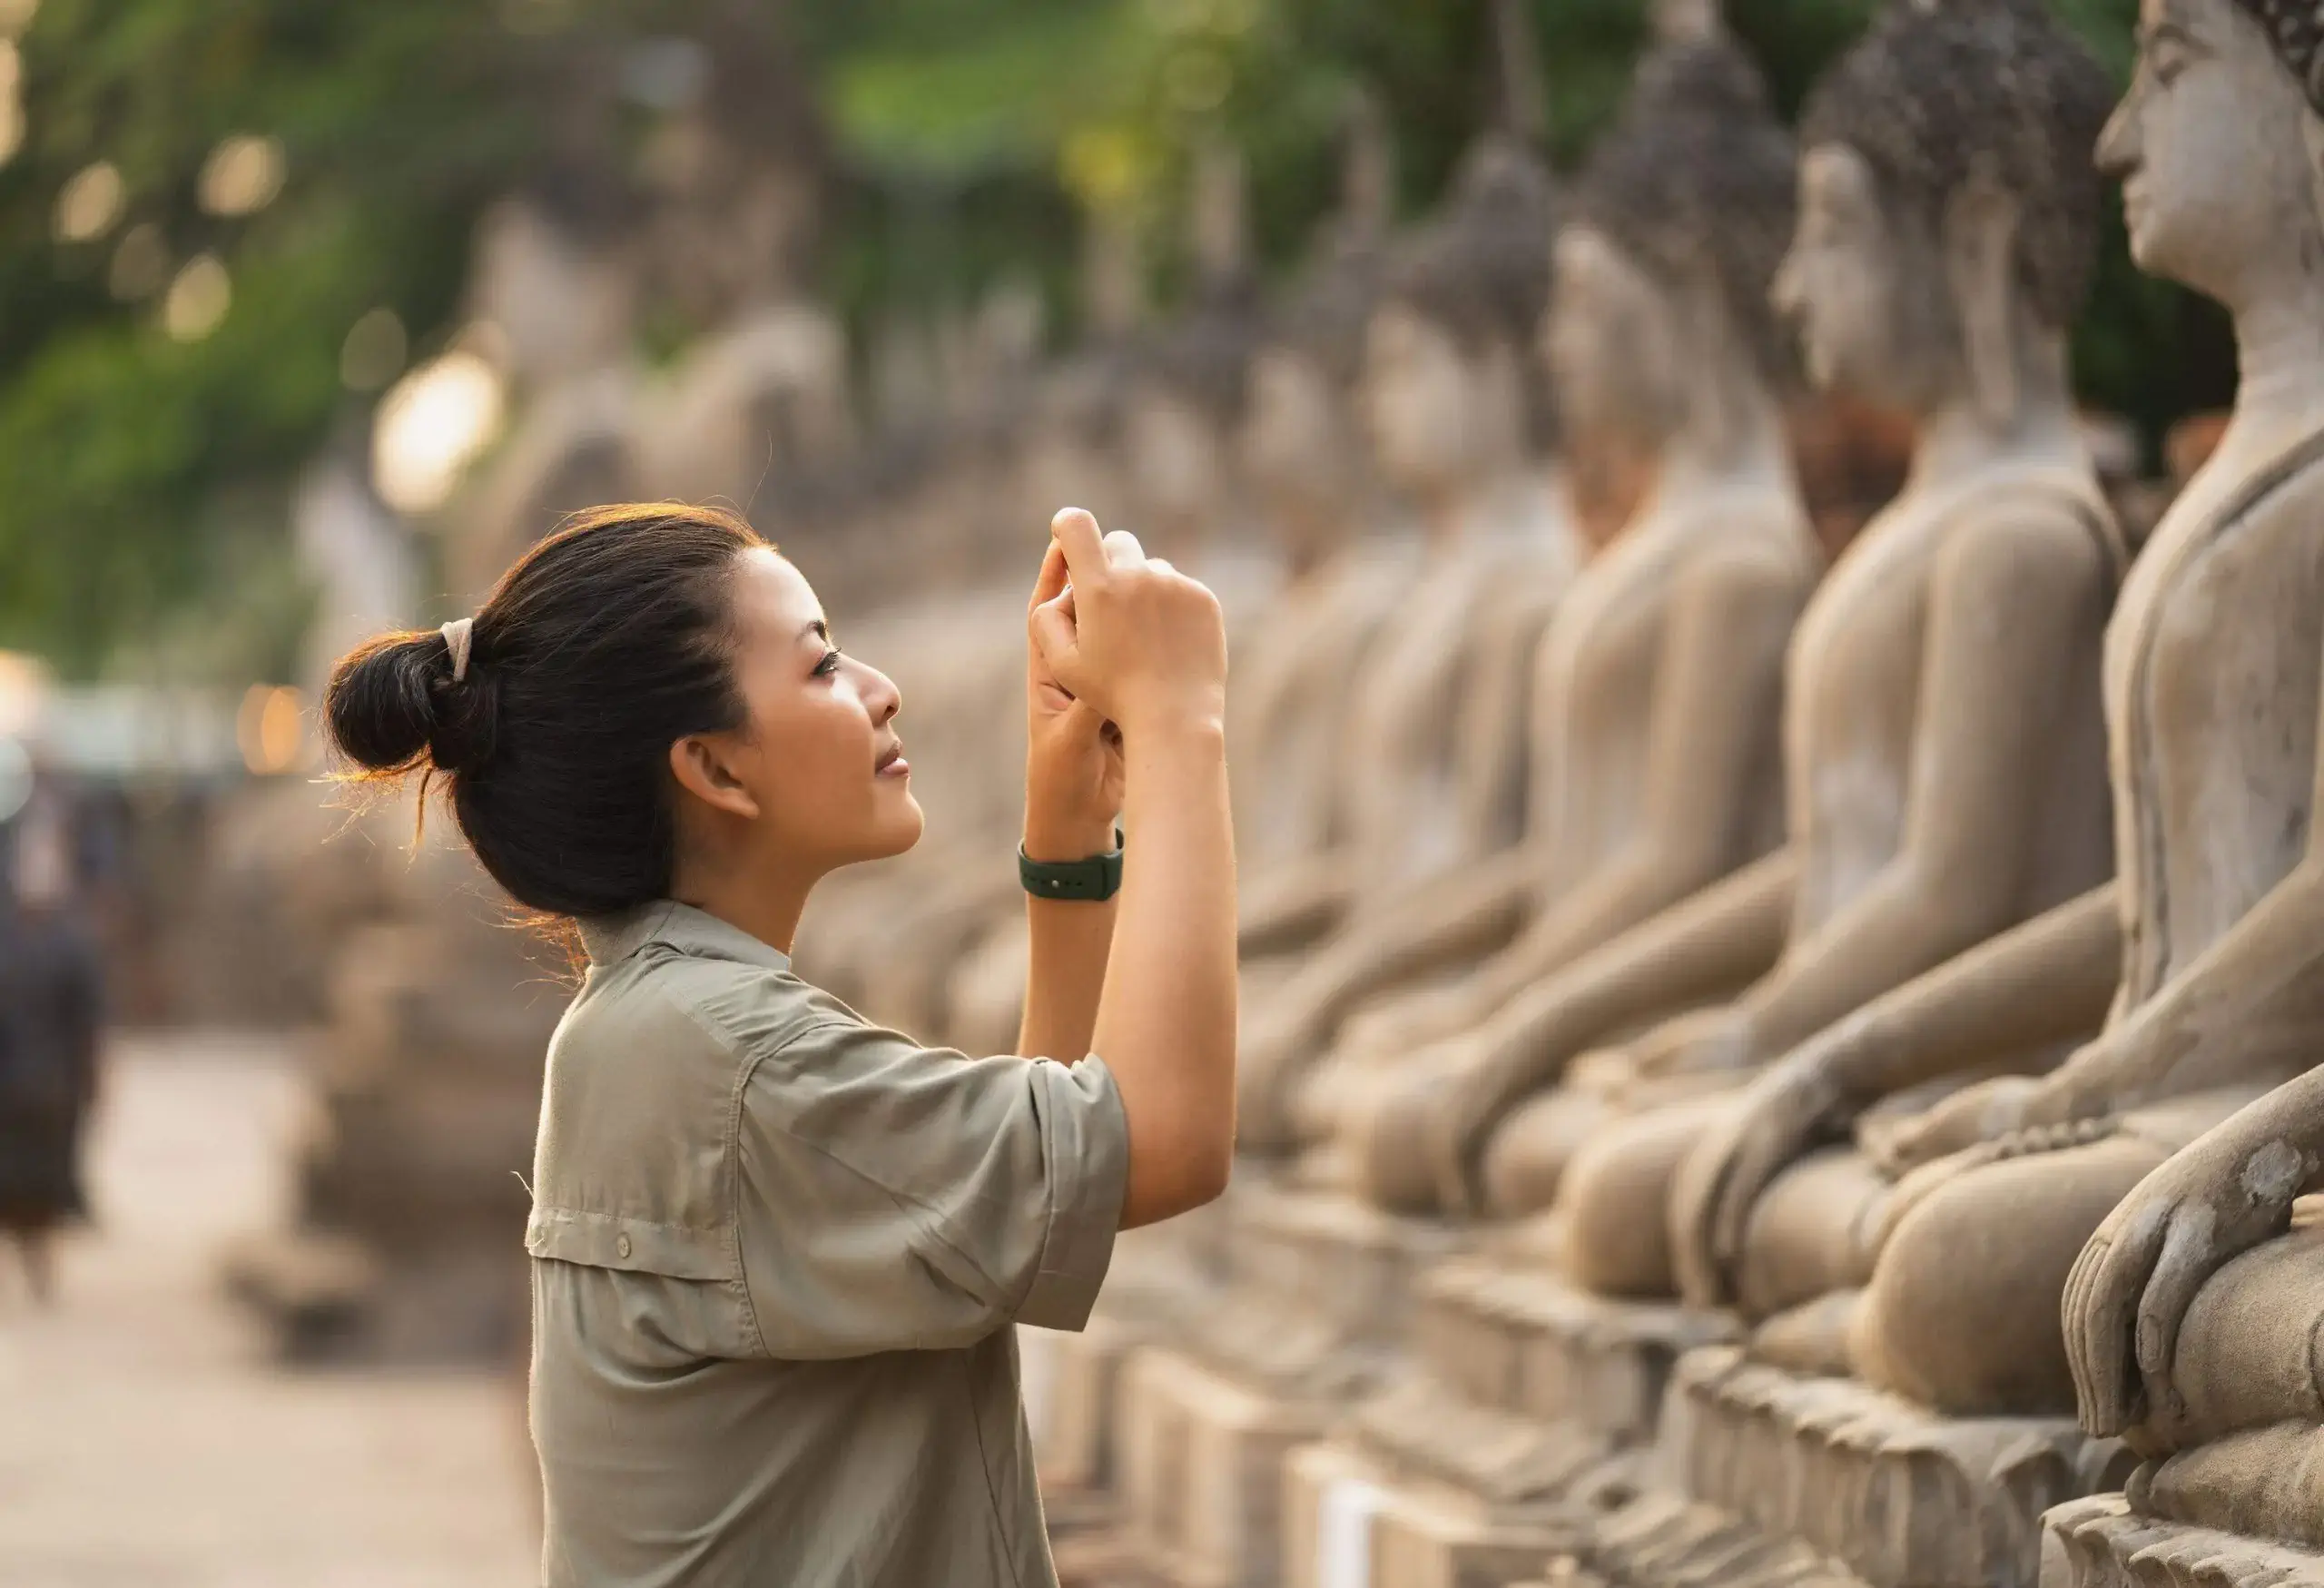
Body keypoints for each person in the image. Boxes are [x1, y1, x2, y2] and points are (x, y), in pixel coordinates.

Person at [320, 501, 1237, 1586]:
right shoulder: (726, 1060)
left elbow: (1028, 1189)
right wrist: (1183, 718)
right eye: (822, 666)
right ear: (715, 768)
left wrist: (1071, 832)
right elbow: (1162, 1140)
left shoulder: (667, 1027)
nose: (879, 688)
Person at [0, 755, 105, 1305]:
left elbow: (88, 1020)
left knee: (43, 1188)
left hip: (50, 1088)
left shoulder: (72, 943)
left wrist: (93, 1081)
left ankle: (40, 1269)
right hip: (10, 1083)